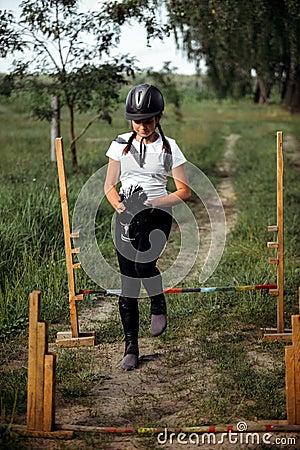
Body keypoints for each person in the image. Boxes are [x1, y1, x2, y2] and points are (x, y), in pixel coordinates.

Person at [104, 84, 190, 370]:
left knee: (143, 266)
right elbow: (109, 186)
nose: (143, 126)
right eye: (138, 121)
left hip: (157, 214)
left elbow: (184, 191)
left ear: (159, 118)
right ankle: (131, 347)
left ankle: (157, 300)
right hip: (127, 213)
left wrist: (154, 203)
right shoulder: (119, 144)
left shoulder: (169, 147)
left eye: (149, 120)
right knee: (128, 283)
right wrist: (119, 205)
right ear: (130, 120)